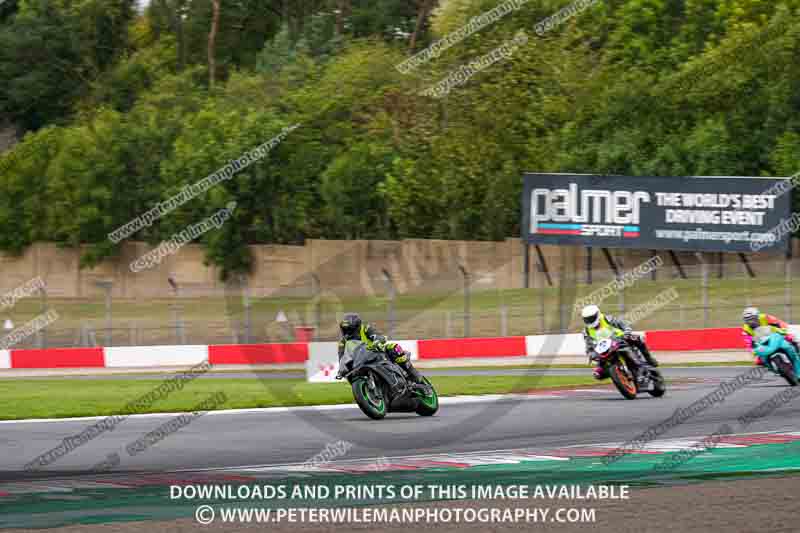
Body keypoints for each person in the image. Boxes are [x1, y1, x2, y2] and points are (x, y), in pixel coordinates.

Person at [337, 313, 424, 383]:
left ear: (356, 327)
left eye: (349, 329)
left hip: (376, 353)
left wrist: (378, 340)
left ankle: (412, 373)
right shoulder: (343, 342)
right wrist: (341, 370)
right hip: (360, 361)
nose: (347, 333)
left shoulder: (365, 328)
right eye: (345, 330)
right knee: (350, 374)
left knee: (393, 347)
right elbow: (341, 357)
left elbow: (376, 335)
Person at [581, 304, 659, 380]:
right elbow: (589, 346)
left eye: (591, 318)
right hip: (605, 349)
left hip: (620, 339)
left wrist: (627, 330)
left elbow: (621, 324)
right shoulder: (586, 331)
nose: (589, 321)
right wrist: (592, 354)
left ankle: (649, 359)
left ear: (597, 314)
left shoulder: (607, 319)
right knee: (597, 374)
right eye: (587, 319)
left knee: (638, 338)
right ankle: (616, 374)